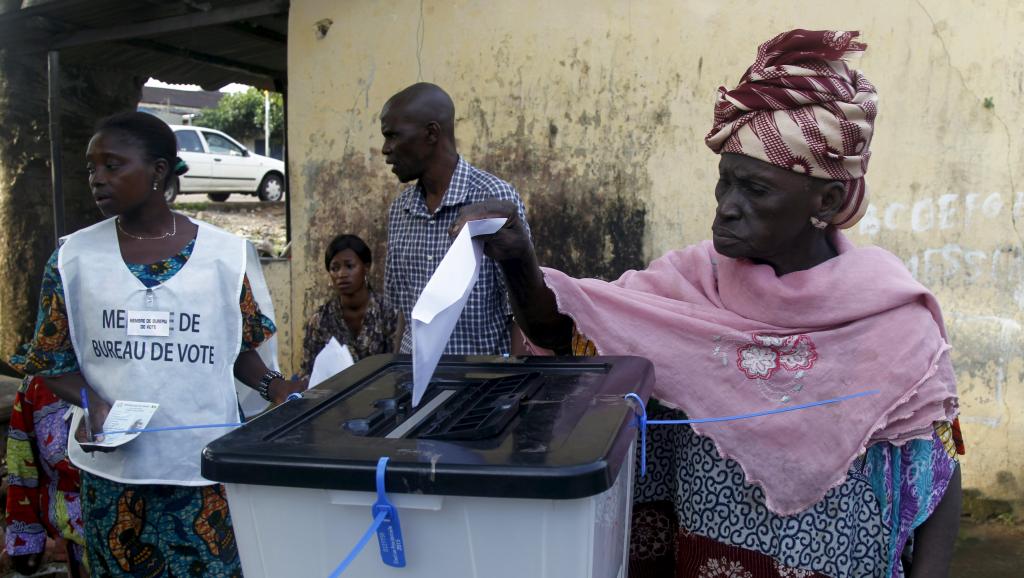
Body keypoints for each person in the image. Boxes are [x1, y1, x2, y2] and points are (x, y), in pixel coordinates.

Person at [454, 30, 962, 578]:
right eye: (725, 185)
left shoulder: (893, 322)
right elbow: (570, 333)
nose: (727, 208)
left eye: (756, 191)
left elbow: (939, 469)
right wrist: (517, 261)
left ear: (828, 199)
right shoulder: (689, 288)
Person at [9, 111, 306, 577]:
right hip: (114, 481)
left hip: (202, 474)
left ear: (159, 171)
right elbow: (51, 360)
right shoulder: (73, 258)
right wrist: (92, 402)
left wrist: (274, 386)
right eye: (91, 168)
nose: (97, 179)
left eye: (113, 165)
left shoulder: (224, 255)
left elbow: (237, 347)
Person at [381, 82, 530, 355]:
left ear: (431, 134)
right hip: (416, 385)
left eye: (393, 136)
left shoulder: (493, 199)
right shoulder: (400, 211)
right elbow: (405, 311)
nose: (385, 149)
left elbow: (519, 311)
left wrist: (515, 388)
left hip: (480, 387)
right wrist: (398, 374)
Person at [4, 374, 88, 578]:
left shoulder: (154, 365)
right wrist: (26, 540)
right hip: (78, 541)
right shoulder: (38, 384)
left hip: (159, 529)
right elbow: (22, 463)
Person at [300, 234, 397, 376]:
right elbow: (309, 373)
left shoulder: (387, 314)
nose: (342, 274)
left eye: (350, 266)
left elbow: (397, 368)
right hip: (335, 395)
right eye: (335, 268)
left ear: (366, 267)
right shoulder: (321, 320)